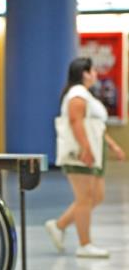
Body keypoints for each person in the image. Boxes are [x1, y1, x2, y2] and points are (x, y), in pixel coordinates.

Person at [45, 57, 125, 258]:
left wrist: (112, 145)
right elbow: (75, 121)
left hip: (94, 152)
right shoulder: (77, 94)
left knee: (96, 196)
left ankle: (59, 225)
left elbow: (94, 126)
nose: (96, 74)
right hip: (82, 153)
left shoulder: (85, 95)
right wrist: (86, 148)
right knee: (85, 198)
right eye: (93, 71)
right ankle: (84, 244)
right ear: (84, 73)